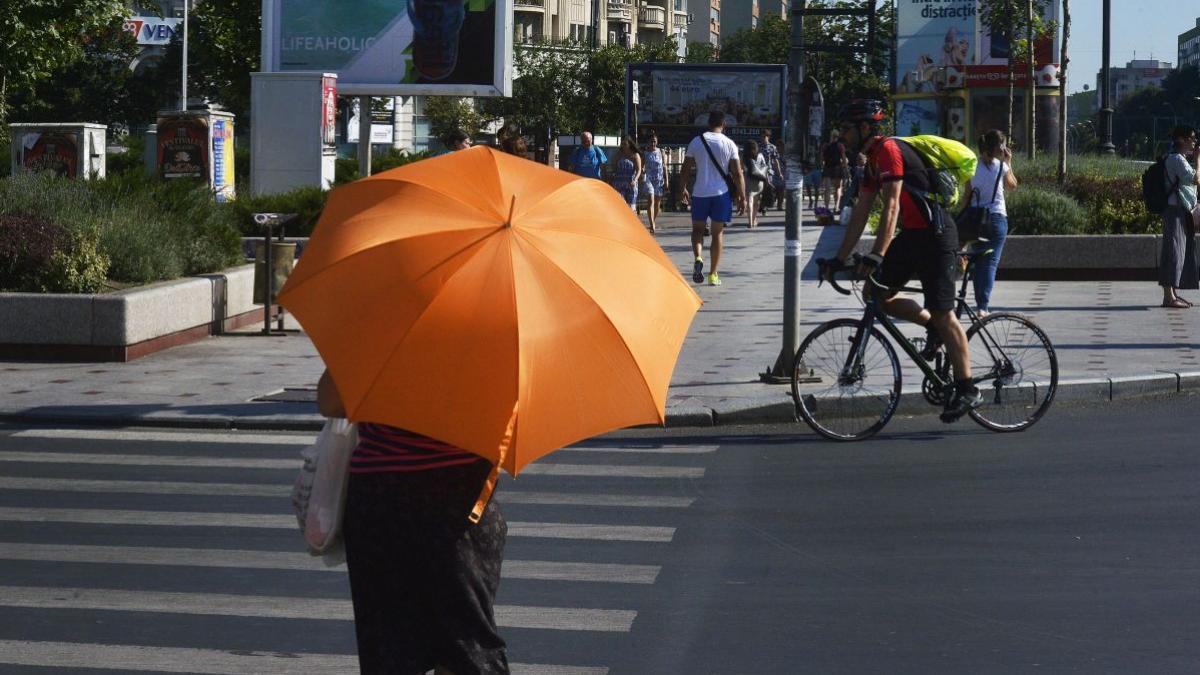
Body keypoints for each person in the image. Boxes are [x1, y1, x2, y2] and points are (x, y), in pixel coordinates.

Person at [317, 370, 510, 674]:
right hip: (459, 501)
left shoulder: (383, 328)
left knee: (390, 648)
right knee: (467, 647)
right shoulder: (500, 336)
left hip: (381, 502)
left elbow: (330, 401)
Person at [829, 99, 981, 423]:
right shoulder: (870, 161)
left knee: (944, 312)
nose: (841, 135)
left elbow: (892, 207)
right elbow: (861, 211)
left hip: (937, 234)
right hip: (913, 236)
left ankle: (968, 387)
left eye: (845, 129)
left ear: (865, 127)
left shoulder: (888, 151)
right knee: (875, 295)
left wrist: (877, 254)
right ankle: (932, 328)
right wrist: (838, 258)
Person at [680, 110, 747, 287]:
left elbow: (685, 168)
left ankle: (698, 257)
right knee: (717, 233)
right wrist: (742, 196)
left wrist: (683, 188)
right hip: (721, 194)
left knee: (697, 231)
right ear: (723, 124)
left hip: (700, 193)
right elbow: (738, 173)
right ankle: (713, 274)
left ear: (708, 123)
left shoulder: (696, 141)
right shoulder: (729, 144)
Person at [969, 129, 1019, 317]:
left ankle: (978, 304)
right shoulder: (1001, 166)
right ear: (1000, 147)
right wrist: (1009, 163)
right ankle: (983, 306)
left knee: (977, 261)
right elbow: (1013, 186)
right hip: (997, 218)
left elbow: (967, 194)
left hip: (975, 220)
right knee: (990, 263)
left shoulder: (972, 165)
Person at [1160, 125, 1200, 308]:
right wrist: (1198, 161)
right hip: (1174, 211)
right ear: (1181, 139)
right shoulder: (1177, 159)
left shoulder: (1179, 158)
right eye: (1191, 138)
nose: (1194, 141)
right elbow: (1195, 179)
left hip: (1179, 210)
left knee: (1179, 252)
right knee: (1173, 252)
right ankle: (1169, 297)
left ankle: (1173, 294)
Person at [642, 131, 668, 232]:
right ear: (648, 142)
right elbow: (642, 165)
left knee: (657, 203)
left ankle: (653, 220)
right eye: (651, 141)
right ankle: (652, 223)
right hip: (649, 179)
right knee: (651, 200)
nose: (653, 143)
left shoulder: (661, 152)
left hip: (659, 179)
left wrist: (666, 180)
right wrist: (642, 171)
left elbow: (664, 166)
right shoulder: (645, 153)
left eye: (654, 141)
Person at [611, 135, 642, 212]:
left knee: (631, 207)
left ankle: (632, 222)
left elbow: (639, 170)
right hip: (619, 183)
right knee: (620, 206)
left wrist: (635, 180)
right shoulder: (619, 154)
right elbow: (614, 168)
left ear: (629, 144)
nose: (623, 145)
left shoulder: (635, 155)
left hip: (631, 183)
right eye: (622, 144)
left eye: (625, 144)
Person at [821, 130, 849, 211]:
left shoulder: (825, 146)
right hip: (837, 168)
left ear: (830, 136)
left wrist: (823, 165)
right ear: (838, 136)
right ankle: (836, 207)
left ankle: (826, 208)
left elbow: (821, 159)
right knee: (838, 188)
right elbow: (843, 158)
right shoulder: (840, 146)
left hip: (827, 168)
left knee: (827, 189)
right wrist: (845, 168)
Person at [743, 140, 768, 229]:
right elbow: (765, 166)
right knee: (756, 202)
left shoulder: (745, 157)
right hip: (759, 181)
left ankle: (749, 222)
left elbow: (743, 168)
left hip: (748, 180)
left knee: (749, 200)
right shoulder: (760, 156)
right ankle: (754, 220)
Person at [760, 129, 784, 214]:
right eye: (762, 136)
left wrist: (779, 172)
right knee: (760, 189)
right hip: (759, 171)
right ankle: (761, 205)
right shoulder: (758, 146)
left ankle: (764, 207)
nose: (763, 138)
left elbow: (776, 160)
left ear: (768, 137)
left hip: (769, 171)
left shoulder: (772, 147)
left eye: (765, 136)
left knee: (767, 188)